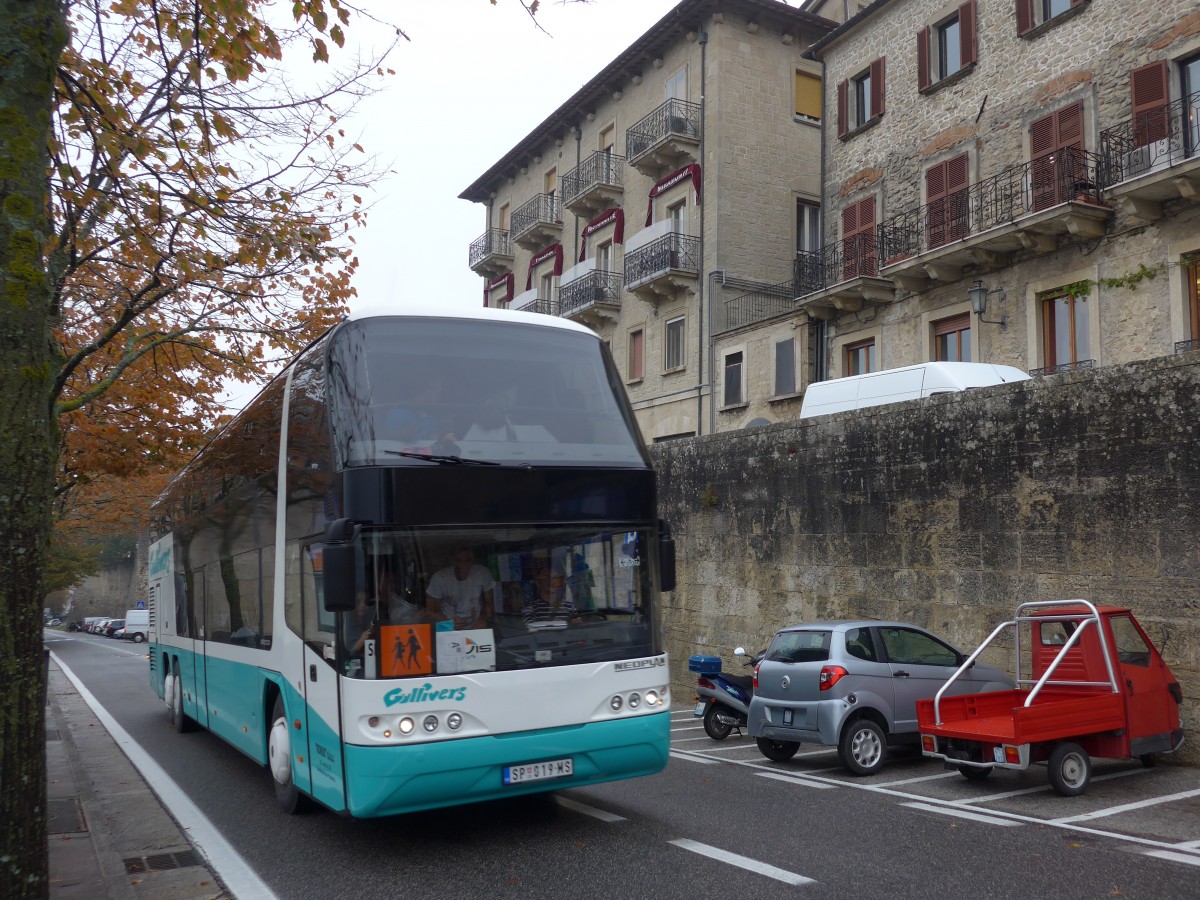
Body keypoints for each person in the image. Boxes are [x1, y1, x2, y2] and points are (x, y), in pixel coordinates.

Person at [425, 547, 495, 629]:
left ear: (473, 560)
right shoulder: (440, 578)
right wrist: (448, 623)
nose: (463, 564)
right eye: (458, 560)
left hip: (476, 626)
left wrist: (483, 619)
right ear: (452, 561)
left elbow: (489, 603)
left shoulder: (482, 573)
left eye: (467, 560)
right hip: (446, 626)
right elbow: (431, 610)